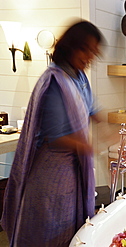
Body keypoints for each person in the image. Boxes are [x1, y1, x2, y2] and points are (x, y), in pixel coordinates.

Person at [1, 20, 104, 247]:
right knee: (50, 234)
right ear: (71, 46)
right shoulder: (55, 81)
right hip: (52, 175)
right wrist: (88, 147)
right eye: (86, 49)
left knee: (70, 232)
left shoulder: (79, 77)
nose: (89, 57)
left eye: (93, 53)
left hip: (72, 170)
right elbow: (57, 137)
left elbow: (93, 111)